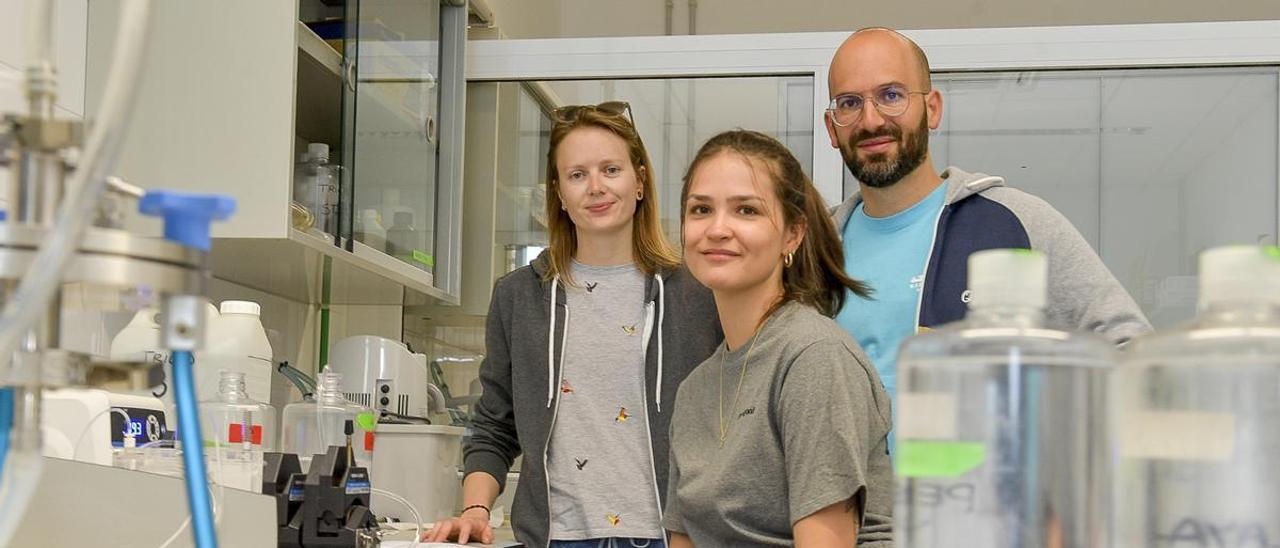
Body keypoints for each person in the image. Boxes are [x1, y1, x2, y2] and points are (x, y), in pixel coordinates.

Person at [425, 101, 721, 547]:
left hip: (670, 538)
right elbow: (495, 424)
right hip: (556, 538)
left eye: (611, 170)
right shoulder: (519, 296)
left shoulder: (695, 293)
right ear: (559, 195)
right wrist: (475, 509)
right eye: (577, 175)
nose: (596, 187)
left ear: (640, 182)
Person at [824, 28, 1151, 425]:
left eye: (891, 95)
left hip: (980, 486)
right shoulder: (815, 247)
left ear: (933, 108)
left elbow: (1131, 354)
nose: (871, 119)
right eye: (850, 103)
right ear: (831, 127)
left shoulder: (1015, 223)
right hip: (845, 489)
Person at [664, 129, 893, 546]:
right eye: (700, 209)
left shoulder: (813, 357)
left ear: (792, 234)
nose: (717, 229)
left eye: (746, 210)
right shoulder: (694, 389)